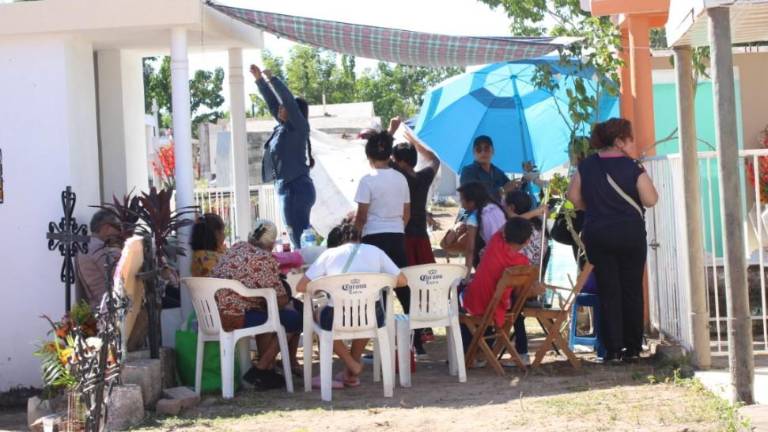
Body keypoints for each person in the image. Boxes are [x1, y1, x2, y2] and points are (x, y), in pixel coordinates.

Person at [567, 118, 658, 364]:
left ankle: (612, 349)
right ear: (619, 142)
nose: (632, 142)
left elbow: (573, 196)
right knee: (631, 289)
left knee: (609, 290)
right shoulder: (632, 167)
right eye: (629, 138)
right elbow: (650, 199)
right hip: (630, 234)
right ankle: (632, 347)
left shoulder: (586, 166)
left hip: (598, 233)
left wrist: (594, 208)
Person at [296, 223, 408, 388]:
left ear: (338, 240)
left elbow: (301, 286)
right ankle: (350, 372)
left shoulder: (329, 254)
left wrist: (326, 285)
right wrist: (379, 282)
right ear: (358, 238)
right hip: (372, 316)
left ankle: (351, 364)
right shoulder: (375, 251)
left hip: (337, 317)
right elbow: (402, 280)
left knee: (318, 315)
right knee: (365, 310)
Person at [210, 225, 303, 390]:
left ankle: (267, 368)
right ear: (272, 244)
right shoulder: (264, 258)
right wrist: (286, 303)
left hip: (213, 314)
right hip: (234, 316)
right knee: (295, 317)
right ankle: (261, 369)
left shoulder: (236, 247)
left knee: (266, 311)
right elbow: (280, 299)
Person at [251, 64, 316, 249]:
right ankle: (304, 268)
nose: (280, 109)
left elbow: (287, 101)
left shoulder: (298, 127)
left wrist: (273, 80)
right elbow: (273, 103)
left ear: (296, 113)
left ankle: (306, 271)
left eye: (284, 107)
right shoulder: (282, 128)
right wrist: (259, 81)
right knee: (295, 235)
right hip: (287, 188)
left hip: (296, 188)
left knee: (299, 238)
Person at [354, 130, 412, 315]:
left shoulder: (367, 180)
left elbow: (361, 217)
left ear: (368, 155)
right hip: (396, 235)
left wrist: (355, 238)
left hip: (373, 238)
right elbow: (406, 213)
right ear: (389, 155)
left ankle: (383, 327)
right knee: (401, 282)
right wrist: (397, 228)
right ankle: (418, 329)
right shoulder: (401, 178)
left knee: (378, 284)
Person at [460, 217, 535, 350]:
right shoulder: (522, 263)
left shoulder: (495, 243)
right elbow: (520, 292)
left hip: (474, 302)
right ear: (527, 241)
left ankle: (466, 349)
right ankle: (479, 348)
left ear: (505, 234)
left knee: (459, 293)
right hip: (497, 308)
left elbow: (504, 227)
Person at [455, 182, 507, 273]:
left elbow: (470, 250)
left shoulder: (474, 217)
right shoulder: (497, 207)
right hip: (508, 257)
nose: (461, 204)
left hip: (493, 261)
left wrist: (466, 276)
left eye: (461, 200)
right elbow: (462, 216)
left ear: (471, 202)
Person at [76, 210, 123, 309]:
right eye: (117, 227)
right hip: (109, 308)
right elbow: (119, 275)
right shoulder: (98, 247)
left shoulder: (86, 245)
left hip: (98, 306)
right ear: (106, 227)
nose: (119, 232)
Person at [459, 135, 518, 203]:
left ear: (493, 151)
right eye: (478, 150)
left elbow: (511, 189)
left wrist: (523, 181)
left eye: (486, 149)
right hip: (474, 213)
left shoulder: (498, 172)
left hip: (496, 211)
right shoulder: (468, 171)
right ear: (473, 152)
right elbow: (472, 198)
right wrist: (502, 191)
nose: (483, 152)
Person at [190, 213, 226, 277]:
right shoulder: (207, 258)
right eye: (223, 231)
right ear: (216, 234)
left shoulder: (199, 254)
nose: (224, 235)